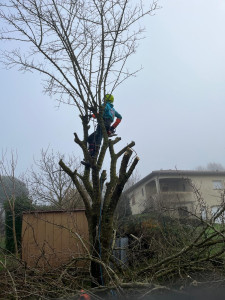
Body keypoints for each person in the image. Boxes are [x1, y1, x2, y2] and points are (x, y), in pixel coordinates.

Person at [86, 94, 122, 158]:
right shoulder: (113, 109)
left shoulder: (104, 105)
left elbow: (100, 113)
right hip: (108, 125)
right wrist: (113, 127)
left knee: (97, 138)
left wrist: (92, 115)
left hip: (103, 122)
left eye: (105, 97)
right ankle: (91, 154)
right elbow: (120, 117)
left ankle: (94, 154)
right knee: (91, 138)